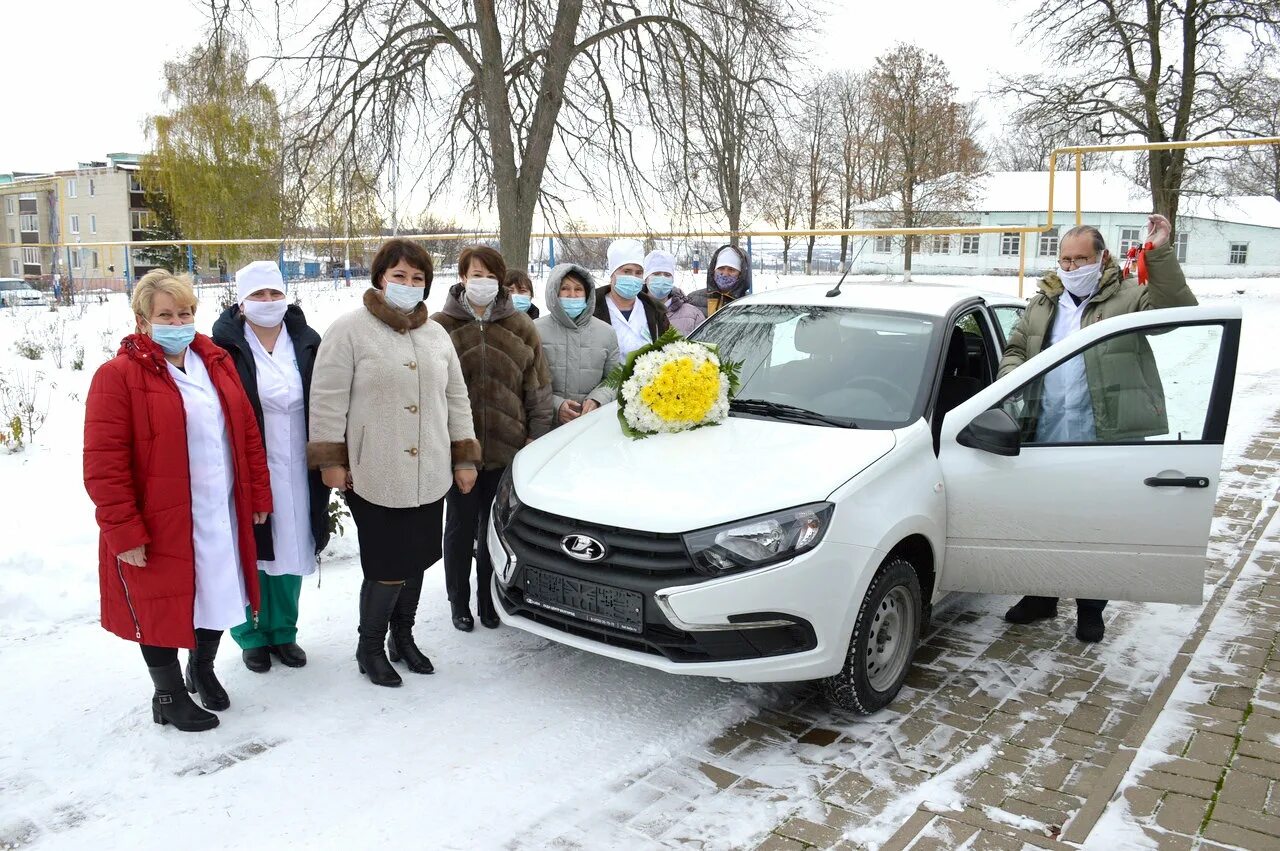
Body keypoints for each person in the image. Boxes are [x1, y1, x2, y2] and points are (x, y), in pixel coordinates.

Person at [83, 270, 272, 732]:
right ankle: (166, 695)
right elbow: (104, 464)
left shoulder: (216, 362)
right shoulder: (118, 376)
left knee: (218, 591)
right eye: (165, 314)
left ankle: (202, 668)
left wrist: (258, 496)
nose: (178, 321)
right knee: (162, 603)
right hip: (161, 518)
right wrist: (123, 530)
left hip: (218, 510)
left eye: (185, 312)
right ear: (143, 320)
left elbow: (247, 433)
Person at [999, 214, 1197, 643]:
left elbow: (1175, 314)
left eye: (1080, 259)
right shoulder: (1043, 303)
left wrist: (1158, 253)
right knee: (1045, 519)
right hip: (1047, 432)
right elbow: (1016, 346)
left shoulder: (1128, 297)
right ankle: (1041, 597)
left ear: (1101, 257)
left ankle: (1091, 608)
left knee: (1097, 523)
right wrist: (1011, 384)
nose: (1071, 268)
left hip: (1107, 435)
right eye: (1064, 260)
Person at [308, 238, 480, 687]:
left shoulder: (436, 334)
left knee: (419, 559)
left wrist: (464, 456)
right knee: (386, 564)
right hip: (375, 470)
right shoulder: (349, 330)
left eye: (417, 278)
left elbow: (456, 398)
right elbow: (327, 400)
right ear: (381, 277)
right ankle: (370, 647)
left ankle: (403, 637)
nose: (407, 284)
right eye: (399, 275)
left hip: (431, 473)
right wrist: (331, 460)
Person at [213, 261, 330, 674]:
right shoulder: (223, 347)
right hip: (248, 465)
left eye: (274, 294)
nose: (267, 302)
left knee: (293, 545)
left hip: (299, 465)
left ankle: (283, 630)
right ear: (241, 302)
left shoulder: (307, 341)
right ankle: (251, 636)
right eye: (257, 295)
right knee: (252, 548)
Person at [433, 245, 552, 631]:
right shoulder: (440, 327)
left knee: (493, 530)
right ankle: (458, 601)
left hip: (507, 449)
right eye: (475, 274)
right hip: (459, 450)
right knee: (459, 528)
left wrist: (536, 436)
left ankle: (488, 597)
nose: (482, 282)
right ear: (462, 277)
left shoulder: (520, 326)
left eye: (490, 275)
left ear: (500, 281)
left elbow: (538, 390)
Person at [535, 263, 621, 429]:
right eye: (565, 288)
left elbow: (615, 377)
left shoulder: (606, 332)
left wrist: (598, 399)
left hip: (591, 426)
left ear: (587, 293)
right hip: (546, 427)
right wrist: (556, 405)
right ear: (554, 292)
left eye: (578, 289)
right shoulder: (535, 330)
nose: (572, 295)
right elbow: (528, 381)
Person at [593, 238, 670, 358]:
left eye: (638, 272)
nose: (633, 277)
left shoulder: (655, 311)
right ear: (612, 274)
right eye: (627, 271)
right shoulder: (593, 310)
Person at [643, 249, 704, 335]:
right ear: (646, 279)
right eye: (656, 274)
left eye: (667, 275)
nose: (662, 278)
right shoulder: (633, 310)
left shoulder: (693, 314)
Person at [687, 244, 752, 317]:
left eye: (731, 270)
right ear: (713, 271)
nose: (725, 274)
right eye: (721, 268)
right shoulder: (693, 299)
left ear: (741, 274)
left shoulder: (750, 303)